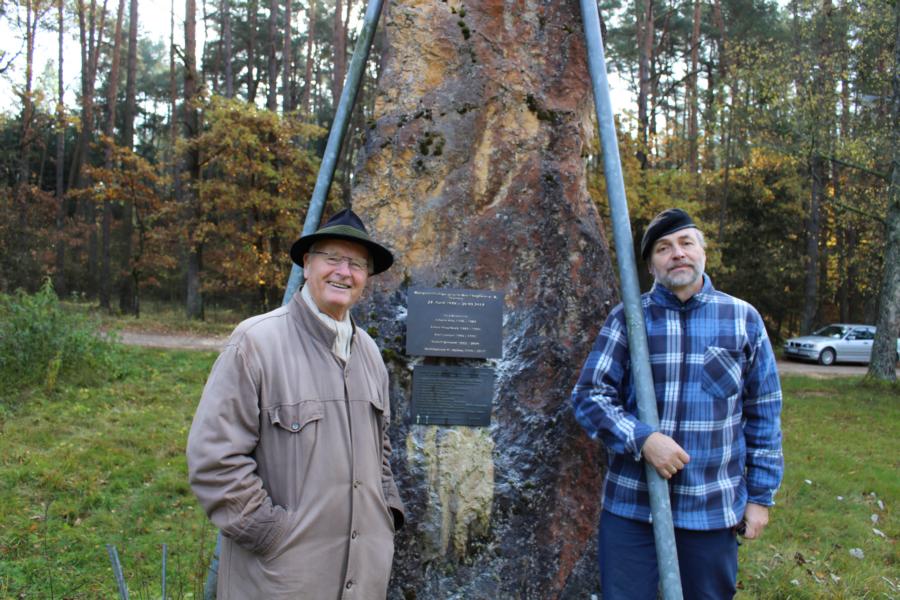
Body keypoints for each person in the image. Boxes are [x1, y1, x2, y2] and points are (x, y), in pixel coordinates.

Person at [187, 208, 405, 600]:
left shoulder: (370, 353)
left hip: (364, 581)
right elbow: (213, 460)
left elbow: (382, 450)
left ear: (366, 279)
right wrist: (273, 536)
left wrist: (386, 512)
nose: (344, 272)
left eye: (356, 264)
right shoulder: (256, 342)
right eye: (332, 258)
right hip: (280, 582)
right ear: (307, 264)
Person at [571, 208, 783, 599]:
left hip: (711, 507)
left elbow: (763, 412)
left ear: (703, 252)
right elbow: (589, 396)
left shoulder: (743, 320)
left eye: (686, 243)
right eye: (664, 248)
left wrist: (759, 498)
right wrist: (643, 438)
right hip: (633, 509)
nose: (678, 253)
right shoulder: (628, 320)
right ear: (652, 266)